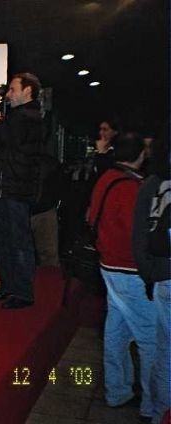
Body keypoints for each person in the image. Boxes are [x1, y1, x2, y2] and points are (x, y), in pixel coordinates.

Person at [88, 132, 155, 421]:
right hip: (130, 270)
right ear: (140, 154)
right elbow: (136, 234)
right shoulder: (131, 187)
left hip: (109, 265)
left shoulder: (107, 178)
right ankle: (154, 405)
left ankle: (117, 391)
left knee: (117, 332)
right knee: (151, 338)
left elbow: (92, 216)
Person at [0, 72, 44, 309]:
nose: (8, 94)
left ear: (28, 91)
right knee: (5, 240)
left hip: (15, 189)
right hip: (6, 187)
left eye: (13, 89)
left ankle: (22, 292)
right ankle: (9, 287)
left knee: (17, 241)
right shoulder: (19, 116)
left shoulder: (26, 117)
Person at [131, 129, 170, 424]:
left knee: (165, 351)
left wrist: (149, 273)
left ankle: (156, 412)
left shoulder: (153, 183)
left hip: (164, 274)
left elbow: (139, 236)